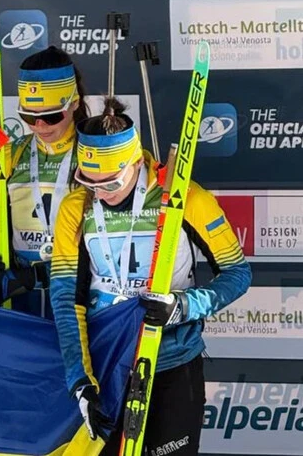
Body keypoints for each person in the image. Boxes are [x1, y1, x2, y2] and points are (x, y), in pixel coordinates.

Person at [49, 98, 252, 454]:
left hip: (172, 362)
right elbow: (67, 299)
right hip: (107, 364)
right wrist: (80, 380)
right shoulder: (75, 208)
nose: (100, 193)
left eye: (110, 183)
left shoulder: (186, 198)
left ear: (135, 162)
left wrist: (183, 306)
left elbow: (238, 273)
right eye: (88, 181)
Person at [0, 46, 89, 319]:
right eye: (29, 116)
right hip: (22, 293)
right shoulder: (10, 154)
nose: (39, 125)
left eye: (52, 116)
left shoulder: (94, 153)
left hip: (78, 291)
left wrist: (43, 273)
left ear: (75, 103)